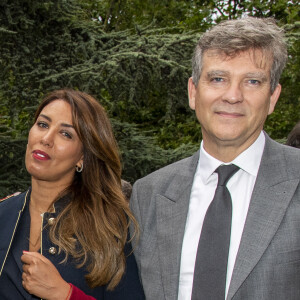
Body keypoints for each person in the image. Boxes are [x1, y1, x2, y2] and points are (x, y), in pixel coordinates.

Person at [130, 17, 300, 300]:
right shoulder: (149, 195)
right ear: (194, 92)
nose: (233, 96)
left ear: (272, 97)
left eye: (252, 81)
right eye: (218, 78)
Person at [0, 89, 145, 300]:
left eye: (66, 134)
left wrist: (65, 295)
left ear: (82, 157)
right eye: (42, 125)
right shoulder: (4, 214)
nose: (46, 139)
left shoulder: (110, 227)